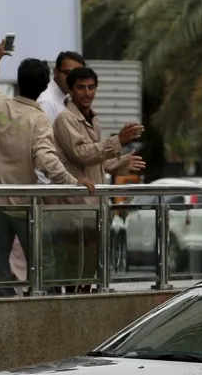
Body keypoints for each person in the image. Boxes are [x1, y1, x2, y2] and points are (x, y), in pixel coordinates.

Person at [0, 39, 93, 297]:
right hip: (22, 204)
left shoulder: (1, 107)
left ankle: (4, 308)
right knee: (41, 260)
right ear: (43, 86)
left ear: (19, 81)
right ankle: (41, 307)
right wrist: (74, 182)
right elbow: (47, 160)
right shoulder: (38, 119)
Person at [52, 66, 144, 291]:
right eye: (81, 87)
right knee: (76, 269)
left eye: (91, 87)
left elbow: (97, 162)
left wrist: (123, 163)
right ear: (71, 91)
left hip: (95, 206)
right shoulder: (65, 119)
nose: (87, 92)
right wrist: (118, 140)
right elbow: (81, 153)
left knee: (91, 269)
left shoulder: (94, 119)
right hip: (75, 208)